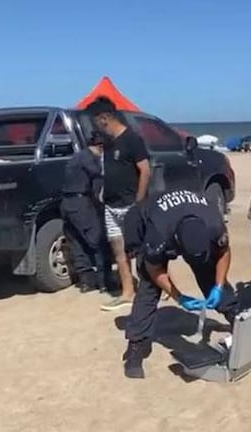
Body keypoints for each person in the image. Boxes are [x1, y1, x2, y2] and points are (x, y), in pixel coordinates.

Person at [120, 188, 239, 379]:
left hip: (183, 217)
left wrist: (217, 286)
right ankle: (136, 345)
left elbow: (224, 252)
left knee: (209, 272)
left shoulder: (213, 223)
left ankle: (236, 316)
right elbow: (155, 269)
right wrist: (179, 297)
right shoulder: (159, 233)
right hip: (143, 219)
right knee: (149, 287)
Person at [84, 96, 151, 312]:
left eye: (94, 121)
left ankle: (157, 288)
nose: (94, 126)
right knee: (119, 251)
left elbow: (145, 171)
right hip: (111, 206)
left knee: (143, 250)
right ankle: (127, 292)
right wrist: (103, 191)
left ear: (104, 119)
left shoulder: (132, 139)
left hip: (131, 205)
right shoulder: (108, 143)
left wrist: (139, 202)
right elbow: (109, 171)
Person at [60, 132, 107, 292]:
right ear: (100, 147)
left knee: (78, 243)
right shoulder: (90, 160)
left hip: (67, 203)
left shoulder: (77, 157)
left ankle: (86, 282)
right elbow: (97, 183)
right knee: (97, 241)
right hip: (81, 203)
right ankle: (104, 282)